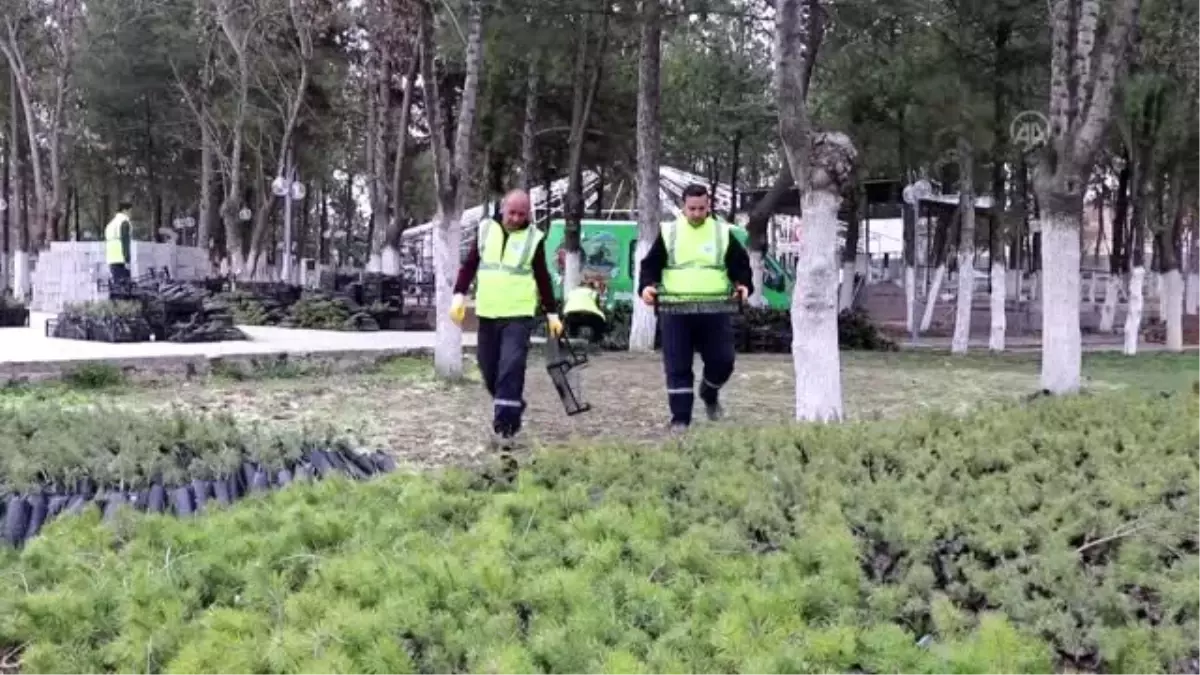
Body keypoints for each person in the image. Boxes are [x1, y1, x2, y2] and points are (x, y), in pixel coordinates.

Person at [449, 189, 564, 448]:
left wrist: (552, 313)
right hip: (488, 313)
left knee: (511, 368)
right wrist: (458, 295)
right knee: (488, 369)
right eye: (512, 212)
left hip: (518, 316)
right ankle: (513, 404)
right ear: (503, 209)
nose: (515, 218)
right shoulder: (486, 230)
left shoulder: (534, 239)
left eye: (522, 214)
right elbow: (470, 266)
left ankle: (505, 429)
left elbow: (543, 277)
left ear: (528, 214)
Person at [638, 183, 752, 432]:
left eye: (702, 208)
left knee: (723, 361)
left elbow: (740, 264)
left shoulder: (722, 233)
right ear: (683, 206)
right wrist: (646, 286)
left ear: (709, 205)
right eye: (692, 209)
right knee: (678, 366)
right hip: (676, 310)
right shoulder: (669, 232)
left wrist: (743, 285)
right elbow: (650, 265)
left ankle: (709, 393)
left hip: (714, 309)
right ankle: (680, 420)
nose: (697, 214)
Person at [563, 278, 607, 342]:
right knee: (599, 323)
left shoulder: (572, 292)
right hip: (590, 315)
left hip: (571, 314)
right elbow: (598, 306)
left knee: (572, 326)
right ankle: (597, 340)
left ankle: (572, 338)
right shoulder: (593, 293)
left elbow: (566, 303)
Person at [105, 202, 134, 285]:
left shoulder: (111, 224)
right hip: (121, 258)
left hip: (111, 258)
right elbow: (125, 241)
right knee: (125, 287)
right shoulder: (124, 222)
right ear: (125, 211)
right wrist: (127, 259)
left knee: (117, 285)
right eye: (130, 211)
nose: (131, 214)